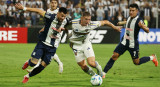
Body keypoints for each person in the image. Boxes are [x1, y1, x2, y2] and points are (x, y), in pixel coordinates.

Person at [15, 3, 68, 83]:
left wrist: (64, 29)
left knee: (42, 66)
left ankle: (27, 76)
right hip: (43, 43)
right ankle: (29, 62)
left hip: (52, 48)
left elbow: (69, 28)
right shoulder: (50, 17)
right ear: (57, 14)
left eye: (64, 16)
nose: (62, 18)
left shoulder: (66, 21)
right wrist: (24, 8)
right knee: (33, 63)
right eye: (61, 16)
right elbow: (38, 11)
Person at [103, 3, 158, 78]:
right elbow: (128, 22)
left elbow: (147, 30)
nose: (131, 12)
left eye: (133, 10)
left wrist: (143, 27)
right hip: (124, 42)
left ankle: (152, 57)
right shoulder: (130, 17)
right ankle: (103, 73)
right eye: (130, 10)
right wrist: (122, 22)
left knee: (136, 62)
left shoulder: (139, 20)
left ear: (137, 11)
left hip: (132, 44)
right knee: (114, 56)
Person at [67, 12, 122, 77]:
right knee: (83, 66)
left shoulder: (91, 24)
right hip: (76, 46)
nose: (88, 21)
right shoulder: (74, 23)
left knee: (91, 63)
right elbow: (64, 26)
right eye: (86, 19)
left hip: (86, 44)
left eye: (89, 19)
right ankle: (94, 76)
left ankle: (99, 69)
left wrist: (114, 27)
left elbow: (105, 22)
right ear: (81, 18)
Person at [25, 0, 63, 74]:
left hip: (55, 34)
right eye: (52, 3)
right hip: (48, 33)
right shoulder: (48, 11)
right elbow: (48, 23)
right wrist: (44, 28)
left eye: (55, 3)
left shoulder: (59, 12)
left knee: (48, 49)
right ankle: (34, 67)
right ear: (50, 3)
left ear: (57, 4)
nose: (53, 4)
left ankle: (59, 63)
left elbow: (61, 22)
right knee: (45, 51)